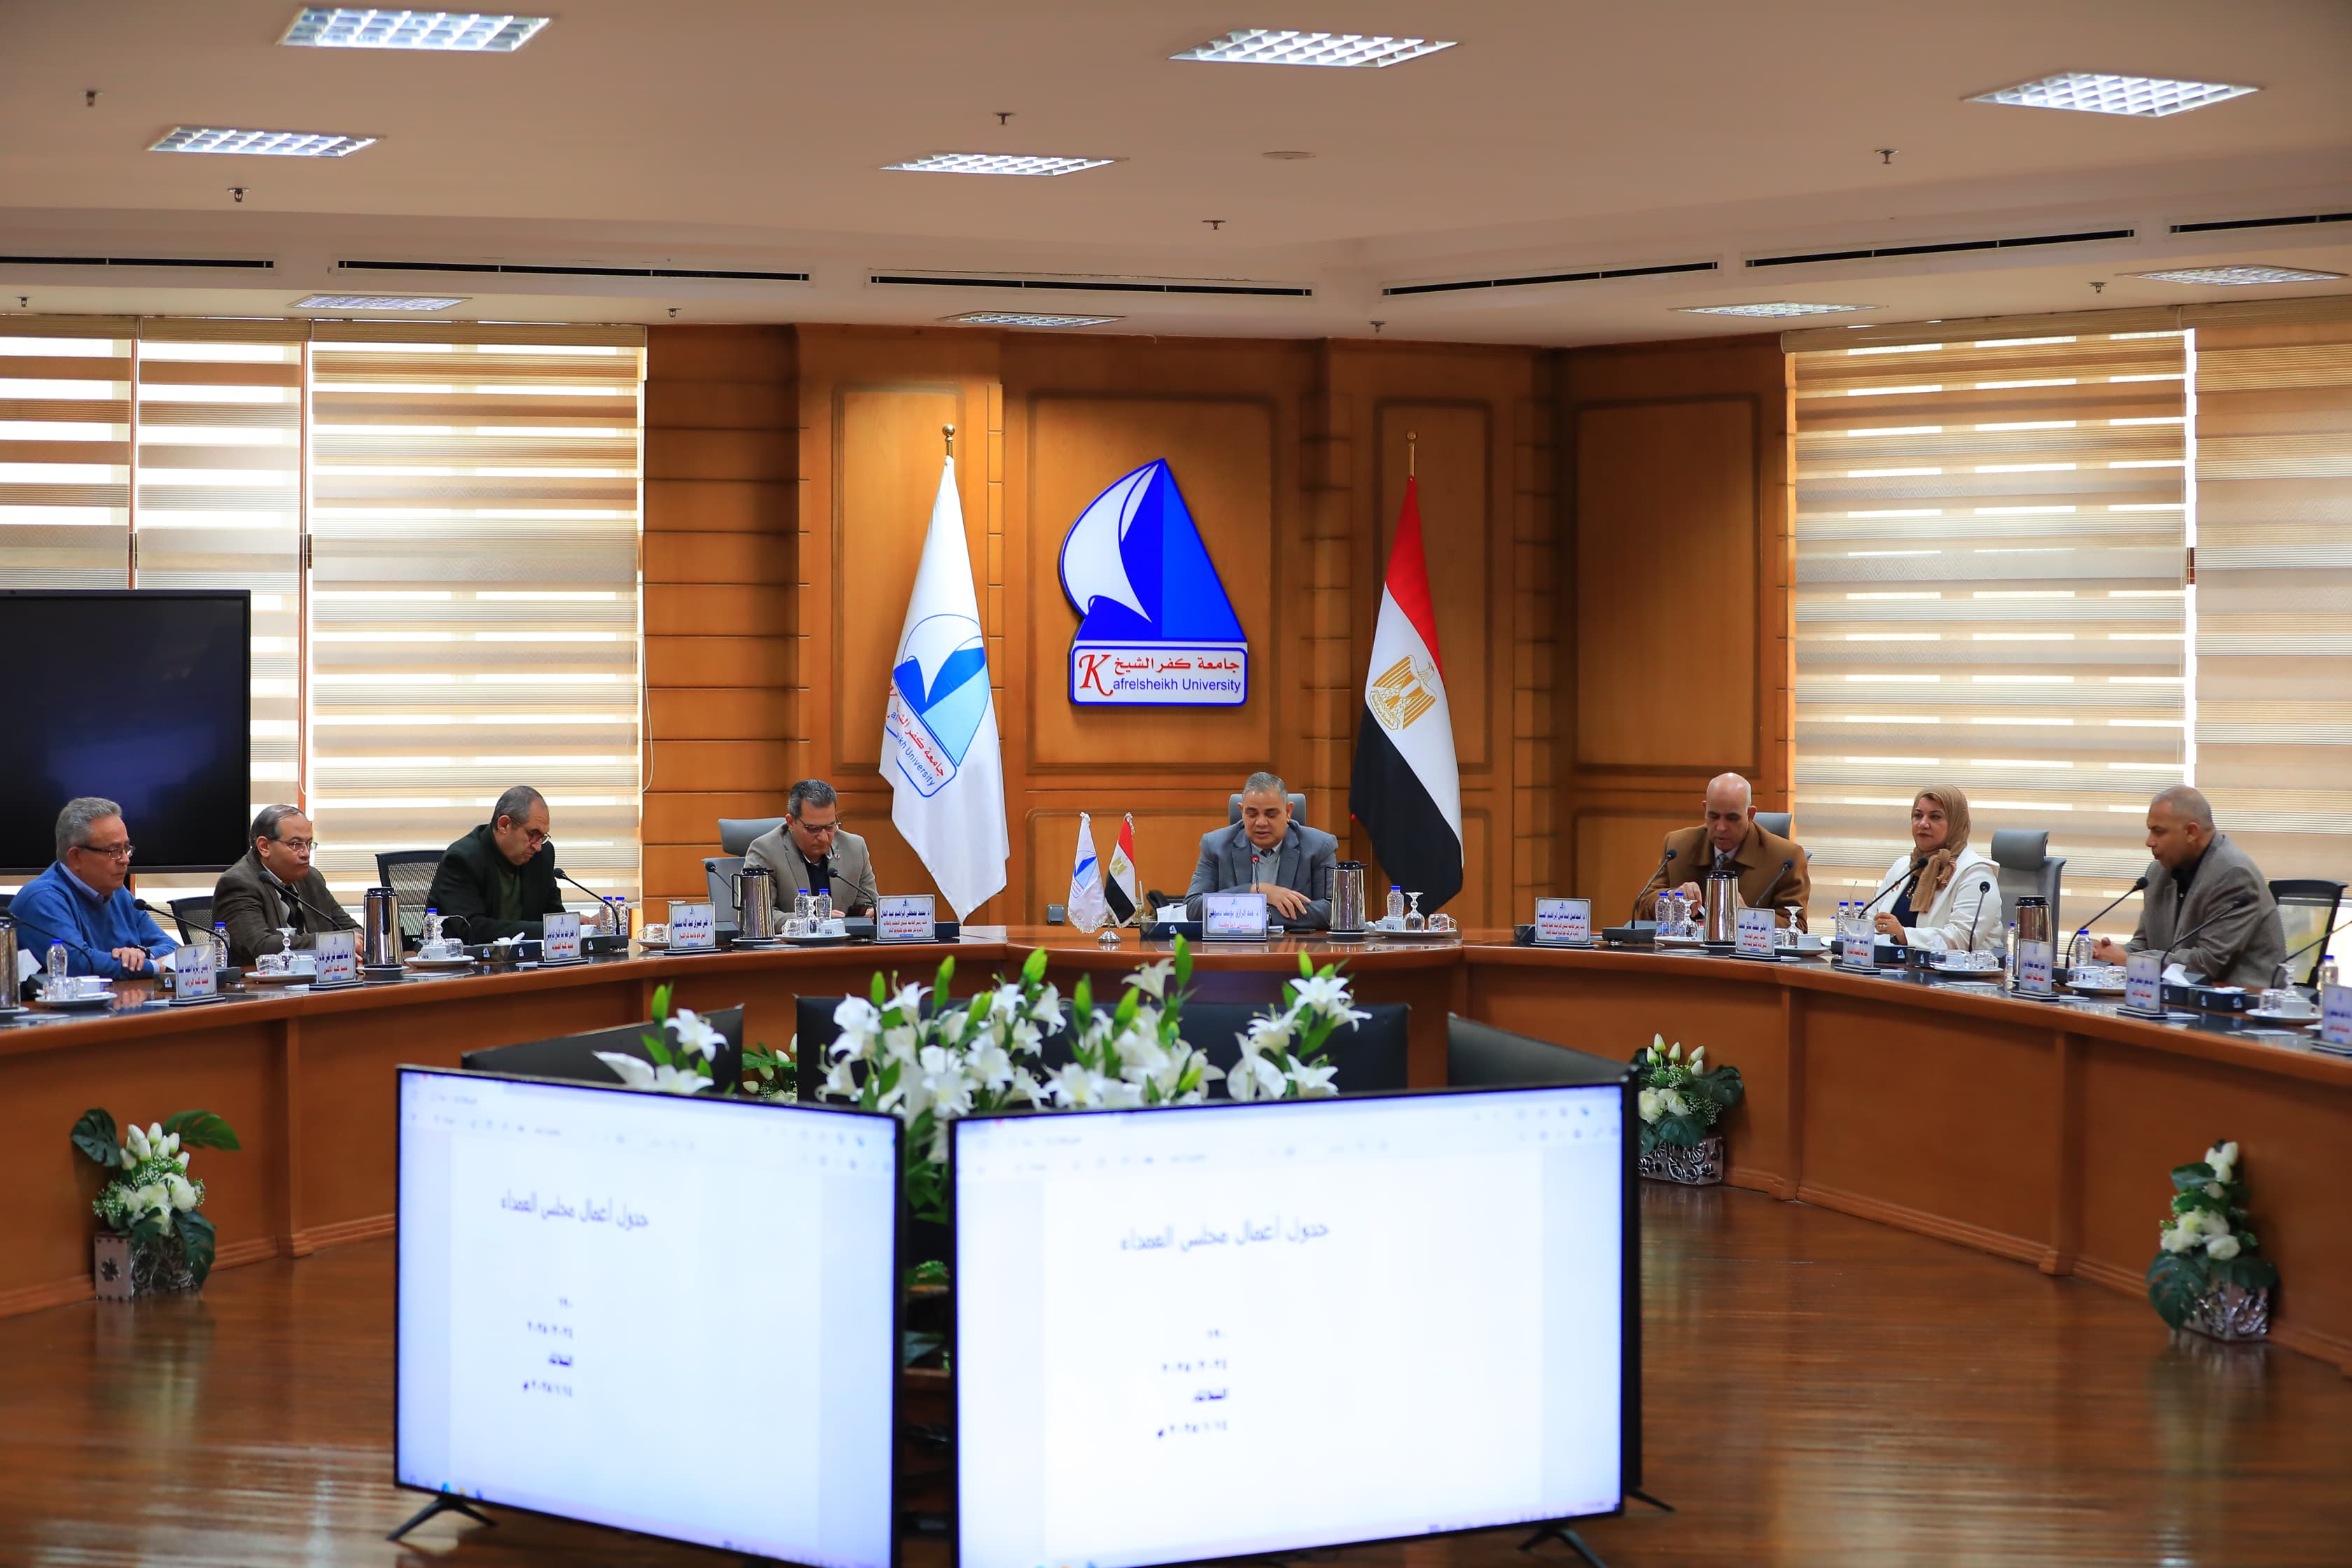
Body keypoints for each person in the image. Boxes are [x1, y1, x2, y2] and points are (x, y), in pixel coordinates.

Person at [2092, 785, 2284, 988]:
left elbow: (2208, 963)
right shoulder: (2158, 873)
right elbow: (2145, 944)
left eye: (2159, 832)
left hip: (2243, 1000)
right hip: (2176, 998)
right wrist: (2109, 955)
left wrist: (2132, 962)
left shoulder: (2234, 875)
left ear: (2191, 832)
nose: (2149, 842)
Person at [9, 797, 178, 978]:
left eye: (126, 848)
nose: (125, 860)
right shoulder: (42, 899)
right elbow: (78, 964)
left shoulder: (118, 893)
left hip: (121, 995)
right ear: (76, 857)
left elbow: (174, 949)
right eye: (114, 851)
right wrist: (155, 967)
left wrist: (142, 954)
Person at [1633, 773, 1811, 927]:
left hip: (1748, 955)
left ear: (1750, 815)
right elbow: (1644, 904)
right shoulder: (1679, 845)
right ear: (1705, 810)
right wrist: (1672, 898)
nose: (1721, 827)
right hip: (1688, 952)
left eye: (1732, 818)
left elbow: (1797, 926)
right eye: (1714, 816)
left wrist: (1748, 916)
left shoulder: (1786, 858)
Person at [1184, 771, 1338, 930]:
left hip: (1295, 944)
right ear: (1242, 812)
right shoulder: (1216, 845)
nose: (1261, 822)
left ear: (1288, 812)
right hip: (1234, 944)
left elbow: (1333, 911)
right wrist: (1256, 891)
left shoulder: (1319, 846)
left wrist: (1263, 913)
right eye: (1252, 814)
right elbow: (1194, 908)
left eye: (1271, 815)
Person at [212, 805, 360, 967]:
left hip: (318, 978)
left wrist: (350, 941)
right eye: (295, 845)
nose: (306, 853)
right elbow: (260, 947)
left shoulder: (311, 878)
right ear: (264, 847)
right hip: (260, 982)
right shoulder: (238, 883)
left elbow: (352, 930)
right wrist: (331, 943)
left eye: (309, 844)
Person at [1861, 785, 2000, 951]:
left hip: (1954, 968)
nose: (1923, 824)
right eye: (1918, 815)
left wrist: (1904, 935)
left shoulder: (1976, 873)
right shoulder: (1904, 867)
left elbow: (1964, 938)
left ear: (1956, 823)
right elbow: (1871, 920)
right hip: (1890, 965)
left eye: (1935, 817)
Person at [426, 784, 568, 941]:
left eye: (542, 837)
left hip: (526, 955)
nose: (538, 846)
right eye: (533, 834)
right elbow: (472, 928)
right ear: (504, 825)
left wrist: (574, 926)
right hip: (461, 955)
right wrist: (548, 929)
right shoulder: (463, 858)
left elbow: (554, 914)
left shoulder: (542, 856)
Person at [743, 780, 878, 916]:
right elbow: (758, 914)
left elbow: (870, 904)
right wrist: (814, 919)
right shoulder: (765, 851)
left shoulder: (855, 848)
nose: (824, 837)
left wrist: (871, 914)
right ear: (791, 822)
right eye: (813, 829)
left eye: (830, 826)